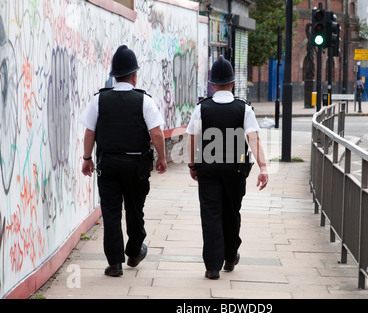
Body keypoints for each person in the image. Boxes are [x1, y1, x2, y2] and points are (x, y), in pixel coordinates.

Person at [79, 45, 167, 277]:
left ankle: (115, 263)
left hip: (107, 165)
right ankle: (135, 249)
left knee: (111, 212)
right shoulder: (144, 100)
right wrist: (162, 158)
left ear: (113, 76)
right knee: (135, 209)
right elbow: (156, 133)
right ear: (135, 75)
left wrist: (87, 158)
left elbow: (90, 133)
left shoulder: (99, 100)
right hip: (136, 165)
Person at [186, 55, 269, 279]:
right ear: (232, 83)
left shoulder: (202, 108)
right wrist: (263, 168)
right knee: (231, 213)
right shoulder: (244, 109)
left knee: (211, 215)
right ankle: (230, 257)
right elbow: (254, 140)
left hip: (208, 170)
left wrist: (193, 165)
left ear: (213, 85)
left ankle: (212, 267)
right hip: (235, 171)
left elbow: (192, 138)